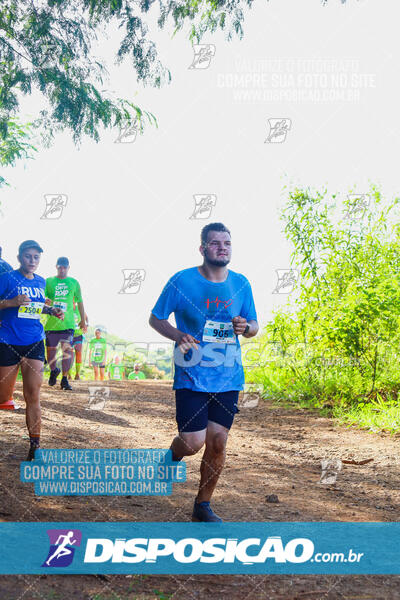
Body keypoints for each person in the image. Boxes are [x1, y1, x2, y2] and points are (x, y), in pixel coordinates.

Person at [149, 223, 259, 522]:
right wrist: (177, 335)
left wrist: (245, 327)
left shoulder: (241, 284)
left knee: (218, 441)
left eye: (227, 243)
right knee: (192, 442)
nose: (222, 247)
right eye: (215, 243)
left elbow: (253, 326)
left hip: (228, 375)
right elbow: (156, 318)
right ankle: (171, 457)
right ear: (202, 248)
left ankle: (203, 505)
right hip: (191, 373)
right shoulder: (181, 281)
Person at [0, 240, 64, 459]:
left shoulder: (40, 281)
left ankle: (35, 446)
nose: (32, 261)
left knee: (33, 395)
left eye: (36, 257)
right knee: (2, 396)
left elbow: (34, 307)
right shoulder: (6, 278)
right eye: (28, 256)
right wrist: (10, 302)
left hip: (34, 341)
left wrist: (51, 310)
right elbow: (8, 303)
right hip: (7, 341)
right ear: (19, 257)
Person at [45, 257, 86, 390]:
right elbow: (42, 297)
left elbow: (80, 302)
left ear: (68, 268)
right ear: (56, 267)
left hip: (67, 323)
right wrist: (45, 300)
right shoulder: (49, 281)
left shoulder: (74, 282)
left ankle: (64, 379)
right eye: (59, 267)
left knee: (67, 350)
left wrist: (82, 320)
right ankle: (54, 370)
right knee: (50, 352)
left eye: (64, 267)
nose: (62, 270)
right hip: (52, 323)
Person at [68, 301, 88, 380]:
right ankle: (68, 375)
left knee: (78, 352)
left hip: (78, 335)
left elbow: (86, 317)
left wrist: (86, 325)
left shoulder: (79, 309)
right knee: (69, 355)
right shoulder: (67, 308)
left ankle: (77, 374)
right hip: (69, 335)